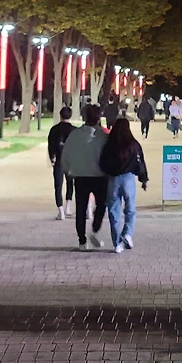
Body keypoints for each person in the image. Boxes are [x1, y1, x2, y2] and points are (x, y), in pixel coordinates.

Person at [60, 103, 109, 249]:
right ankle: (95, 228)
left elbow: (65, 155)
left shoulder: (75, 135)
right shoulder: (104, 136)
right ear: (99, 118)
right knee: (101, 204)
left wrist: (68, 169)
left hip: (80, 176)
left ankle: (82, 241)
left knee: (80, 209)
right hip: (99, 176)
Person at [99, 117, 148, 253]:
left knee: (113, 211)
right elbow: (140, 162)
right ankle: (127, 233)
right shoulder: (133, 144)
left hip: (113, 180)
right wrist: (143, 179)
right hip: (128, 178)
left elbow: (102, 163)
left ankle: (116, 243)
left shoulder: (109, 145)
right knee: (130, 209)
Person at [47, 106, 76, 220]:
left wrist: (52, 158)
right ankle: (68, 207)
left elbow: (51, 146)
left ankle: (61, 211)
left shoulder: (54, 130)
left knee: (58, 186)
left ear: (60, 116)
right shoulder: (74, 130)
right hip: (71, 161)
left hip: (59, 160)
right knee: (70, 184)